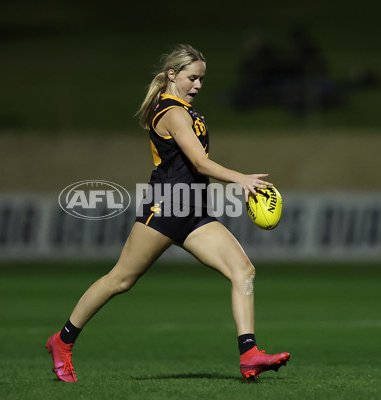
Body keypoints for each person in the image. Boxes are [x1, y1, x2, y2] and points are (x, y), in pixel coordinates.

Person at [45, 44, 289, 382]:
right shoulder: (172, 111)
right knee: (121, 279)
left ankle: (249, 355)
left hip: (194, 210)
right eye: (192, 78)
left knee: (243, 271)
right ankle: (62, 341)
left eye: (202, 79)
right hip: (167, 206)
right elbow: (199, 162)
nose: (198, 85)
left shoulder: (187, 111)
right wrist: (241, 179)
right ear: (172, 75)